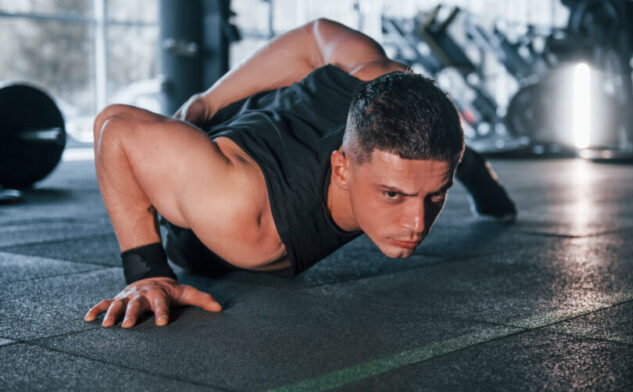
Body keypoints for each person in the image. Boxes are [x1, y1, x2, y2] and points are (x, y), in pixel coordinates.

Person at [84, 18, 516, 329]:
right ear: (342, 168)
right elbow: (115, 126)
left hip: (281, 119)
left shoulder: (383, 83)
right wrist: (146, 271)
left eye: (436, 197)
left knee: (425, 151)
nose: (416, 225)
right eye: (392, 195)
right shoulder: (240, 212)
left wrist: (211, 97)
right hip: (218, 181)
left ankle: (469, 165)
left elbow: (315, 35)